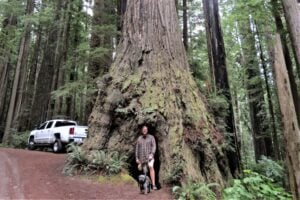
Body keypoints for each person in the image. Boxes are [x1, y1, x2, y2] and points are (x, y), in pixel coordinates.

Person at [135, 125, 157, 190]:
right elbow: (137, 149)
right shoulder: (139, 138)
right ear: (142, 131)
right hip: (142, 159)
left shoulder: (151, 137)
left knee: (151, 167)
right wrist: (136, 158)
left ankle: (153, 185)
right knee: (144, 172)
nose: (144, 130)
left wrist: (152, 154)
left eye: (146, 129)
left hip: (150, 158)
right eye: (143, 129)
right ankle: (145, 186)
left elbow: (154, 146)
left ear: (147, 130)